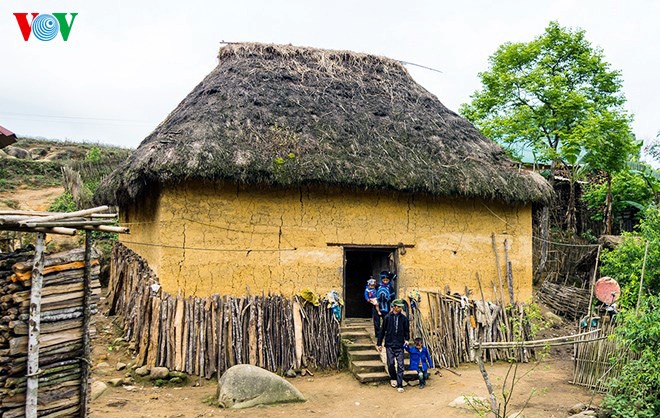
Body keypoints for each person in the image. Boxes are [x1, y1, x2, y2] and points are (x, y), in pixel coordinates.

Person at [377, 299, 409, 392]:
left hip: (399, 344)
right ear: (394, 307)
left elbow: (407, 330)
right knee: (390, 364)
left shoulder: (404, 319)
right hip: (390, 344)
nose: (400, 308)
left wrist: (407, 339)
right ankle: (393, 377)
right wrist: (379, 343)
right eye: (398, 306)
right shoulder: (387, 317)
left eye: (401, 307)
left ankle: (400, 384)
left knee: (401, 365)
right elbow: (382, 331)